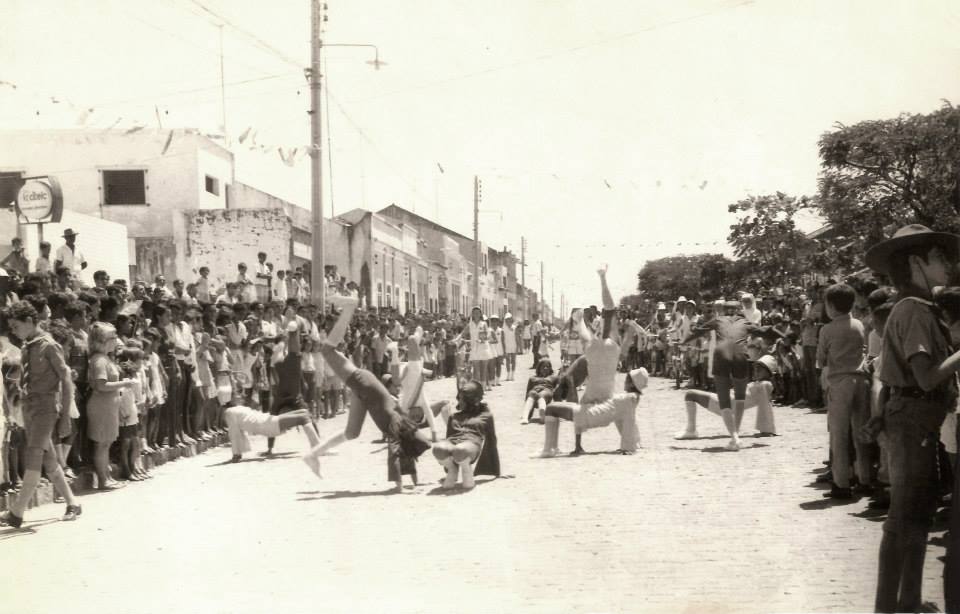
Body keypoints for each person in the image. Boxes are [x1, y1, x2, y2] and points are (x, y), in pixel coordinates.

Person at [859, 224, 960, 613]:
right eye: (939, 257)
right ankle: (889, 606)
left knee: (917, 514)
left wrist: (880, 415)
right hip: (914, 419)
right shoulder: (915, 310)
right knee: (905, 516)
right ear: (917, 263)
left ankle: (907, 601)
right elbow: (926, 377)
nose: (948, 264)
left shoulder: (914, 308)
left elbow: (889, 375)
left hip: (914, 419)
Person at [302, 290, 434, 479]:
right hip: (364, 383)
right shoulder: (399, 428)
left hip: (364, 385)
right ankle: (350, 306)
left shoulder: (401, 426)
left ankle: (313, 455)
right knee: (327, 350)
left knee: (352, 432)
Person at [0, 302, 82, 528]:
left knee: (33, 457)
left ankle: (17, 512)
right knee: (49, 460)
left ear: (29, 321)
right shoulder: (28, 345)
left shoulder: (49, 346)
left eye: (16, 326)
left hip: (45, 408)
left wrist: (65, 417)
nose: (13, 331)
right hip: (30, 409)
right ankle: (73, 503)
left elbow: (66, 380)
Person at [817, 282, 871, 499]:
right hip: (861, 380)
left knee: (839, 435)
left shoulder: (827, 329)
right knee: (861, 432)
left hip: (839, 383)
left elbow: (820, 359)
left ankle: (841, 483)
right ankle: (865, 479)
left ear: (830, 306)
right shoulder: (859, 325)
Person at [683, 299, 757, 451]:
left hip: (721, 355)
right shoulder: (745, 322)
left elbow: (698, 331)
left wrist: (684, 341)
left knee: (723, 399)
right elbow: (765, 331)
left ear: (723, 310)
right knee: (740, 397)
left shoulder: (718, 320)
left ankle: (734, 438)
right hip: (740, 355)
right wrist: (784, 335)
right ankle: (736, 435)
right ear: (739, 310)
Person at [538, 367, 647, 457]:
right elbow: (628, 421)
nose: (625, 381)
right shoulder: (629, 399)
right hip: (590, 412)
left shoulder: (630, 398)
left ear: (633, 384)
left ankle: (549, 448)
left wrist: (628, 447)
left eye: (627, 379)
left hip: (590, 415)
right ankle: (552, 448)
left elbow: (629, 421)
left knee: (551, 409)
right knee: (553, 408)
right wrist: (634, 443)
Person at [675, 354, 777, 440]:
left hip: (725, 403)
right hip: (725, 401)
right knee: (690, 395)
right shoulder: (760, 383)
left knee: (690, 394)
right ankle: (691, 430)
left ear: (768, 372)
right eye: (755, 368)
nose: (756, 370)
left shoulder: (765, 384)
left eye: (760, 369)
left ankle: (691, 430)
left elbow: (765, 406)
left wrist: (766, 430)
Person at [433, 380, 500, 490]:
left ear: (471, 400)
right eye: (459, 398)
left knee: (460, 450)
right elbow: (449, 437)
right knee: (438, 449)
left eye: (462, 399)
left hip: (471, 444)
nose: (459, 401)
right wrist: (448, 466)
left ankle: (466, 471)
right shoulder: (454, 416)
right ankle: (453, 470)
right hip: (454, 443)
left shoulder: (486, 416)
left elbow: (491, 440)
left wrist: (495, 470)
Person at [224, 404, 320, 462]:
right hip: (267, 425)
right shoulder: (230, 411)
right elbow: (234, 433)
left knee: (304, 412)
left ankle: (317, 446)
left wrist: (237, 454)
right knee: (303, 417)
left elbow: (235, 432)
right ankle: (317, 447)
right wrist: (236, 454)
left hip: (268, 421)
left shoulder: (235, 409)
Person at [502, 313, 518, 381]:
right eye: (507, 319)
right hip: (507, 346)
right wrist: (503, 348)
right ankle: (508, 375)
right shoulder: (503, 328)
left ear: (511, 319)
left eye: (509, 319)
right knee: (507, 361)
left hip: (513, 345)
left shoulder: (514, 327)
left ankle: (512, 375)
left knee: (513, 360)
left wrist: (517, 347)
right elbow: (502, 339)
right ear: (505, 320)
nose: (508, 320)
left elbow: (517, 337)